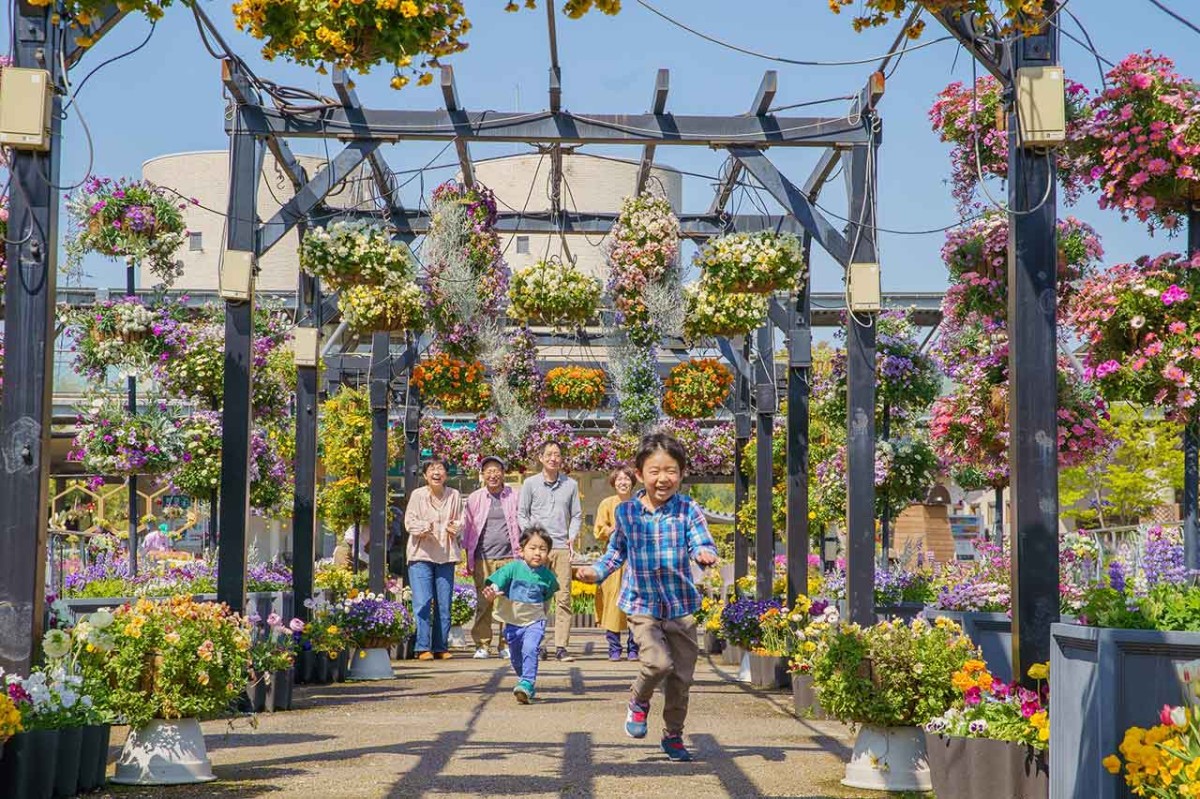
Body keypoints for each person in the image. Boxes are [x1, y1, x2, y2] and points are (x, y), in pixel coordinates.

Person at [576, 432, 719, 763]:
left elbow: (702, 541)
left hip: (681, 606)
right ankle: (639, 699)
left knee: (681, 679)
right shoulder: (626, 514)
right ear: (639, 474)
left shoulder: (688, 509)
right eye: (654, 471)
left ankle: (673, 736)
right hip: (642, 605)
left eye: (671, 471)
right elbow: (615, 554)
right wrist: (596, 573)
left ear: (682, 474)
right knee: (657, 662)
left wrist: (703, 553)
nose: (663, 479)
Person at [517, 440, 582, 662]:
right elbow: (522, 513)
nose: (553, 458)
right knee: (538, 598)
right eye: (549, 454)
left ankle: (562, 647)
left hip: (562, 547)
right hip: (538, 549)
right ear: (541, 458)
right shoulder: (530, 484)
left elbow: (577, 515)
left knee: (563, 598)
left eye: (557, 454)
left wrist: (571, 536)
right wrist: (531, 539)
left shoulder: (571, 485)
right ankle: (539, 645)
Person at [481, 526, 560, 704]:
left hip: (535, 622)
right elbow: (497, 582)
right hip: (513, 623)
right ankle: (524, 679)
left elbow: (548, 596)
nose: (537, 553)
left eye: (543, 549)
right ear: (521, 550)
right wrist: (493, 591)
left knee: (530, 648)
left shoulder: (548, 577)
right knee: (516, 659)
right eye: (532, 548)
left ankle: (527, 683)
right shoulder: (513, 568)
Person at [404, 458, 464, 661]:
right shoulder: (417, 495)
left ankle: (440, 646)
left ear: (446, 475)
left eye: (440, 469)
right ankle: (422, 647)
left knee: (444, 603)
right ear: (425, 475)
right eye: (432, 469)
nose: (436, 472)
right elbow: (409, 522)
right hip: (421, 555)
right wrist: (424, 528)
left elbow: (460, 521)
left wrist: (455, 528)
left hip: (446, 555)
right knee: (422, 601)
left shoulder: (454, 495)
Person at [462, 455, 521, 660]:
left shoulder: (514, 495)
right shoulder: (475, 498)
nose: (493, 474)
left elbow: (522, 523)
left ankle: (505, 644)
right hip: (483, 557)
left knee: (506, 601)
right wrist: (468, 558)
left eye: (497, 470)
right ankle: (482, 644)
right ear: (483, 475)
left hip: (509, 557)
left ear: (503, 474)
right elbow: (467, 530)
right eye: (488, 471)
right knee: (484, 602)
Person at [594, 466, 639, 662]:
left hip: (636, 559)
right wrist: (613, 529)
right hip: (613, 559)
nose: (623, 482)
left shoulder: (639, 502)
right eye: (619, 479)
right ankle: (614, 647)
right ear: (614, 483)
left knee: (635, 603)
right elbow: (599, 529)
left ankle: (634, 647)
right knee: (612, 603)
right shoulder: (607, 503)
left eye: (626, 479)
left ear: (632, 482)